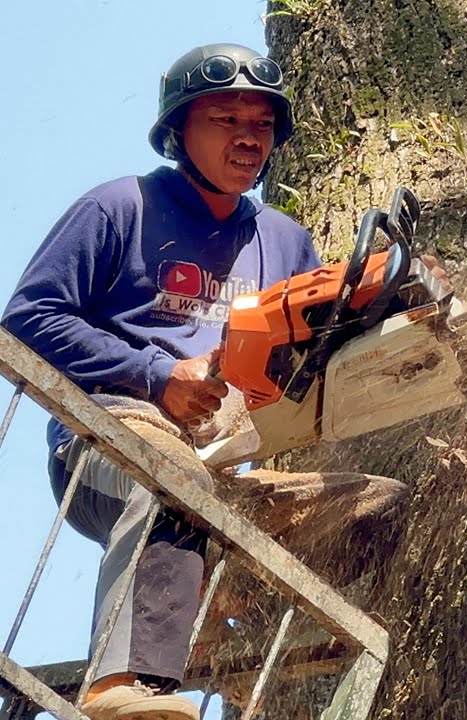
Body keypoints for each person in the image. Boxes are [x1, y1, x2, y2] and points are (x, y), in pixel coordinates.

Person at [3, 44, 415, 720]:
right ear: (179, 131)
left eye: (260, 124)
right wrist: (154, 374)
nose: (247, 137)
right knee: (174, 482)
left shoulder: (284, 242)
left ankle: (237, 642)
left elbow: (311, 353)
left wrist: (395, 314)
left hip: (223, 468)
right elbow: (27, 317)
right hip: (113, 438)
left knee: (378, 505)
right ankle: (122, 685)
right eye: (226, 119)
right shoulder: (118, 207)